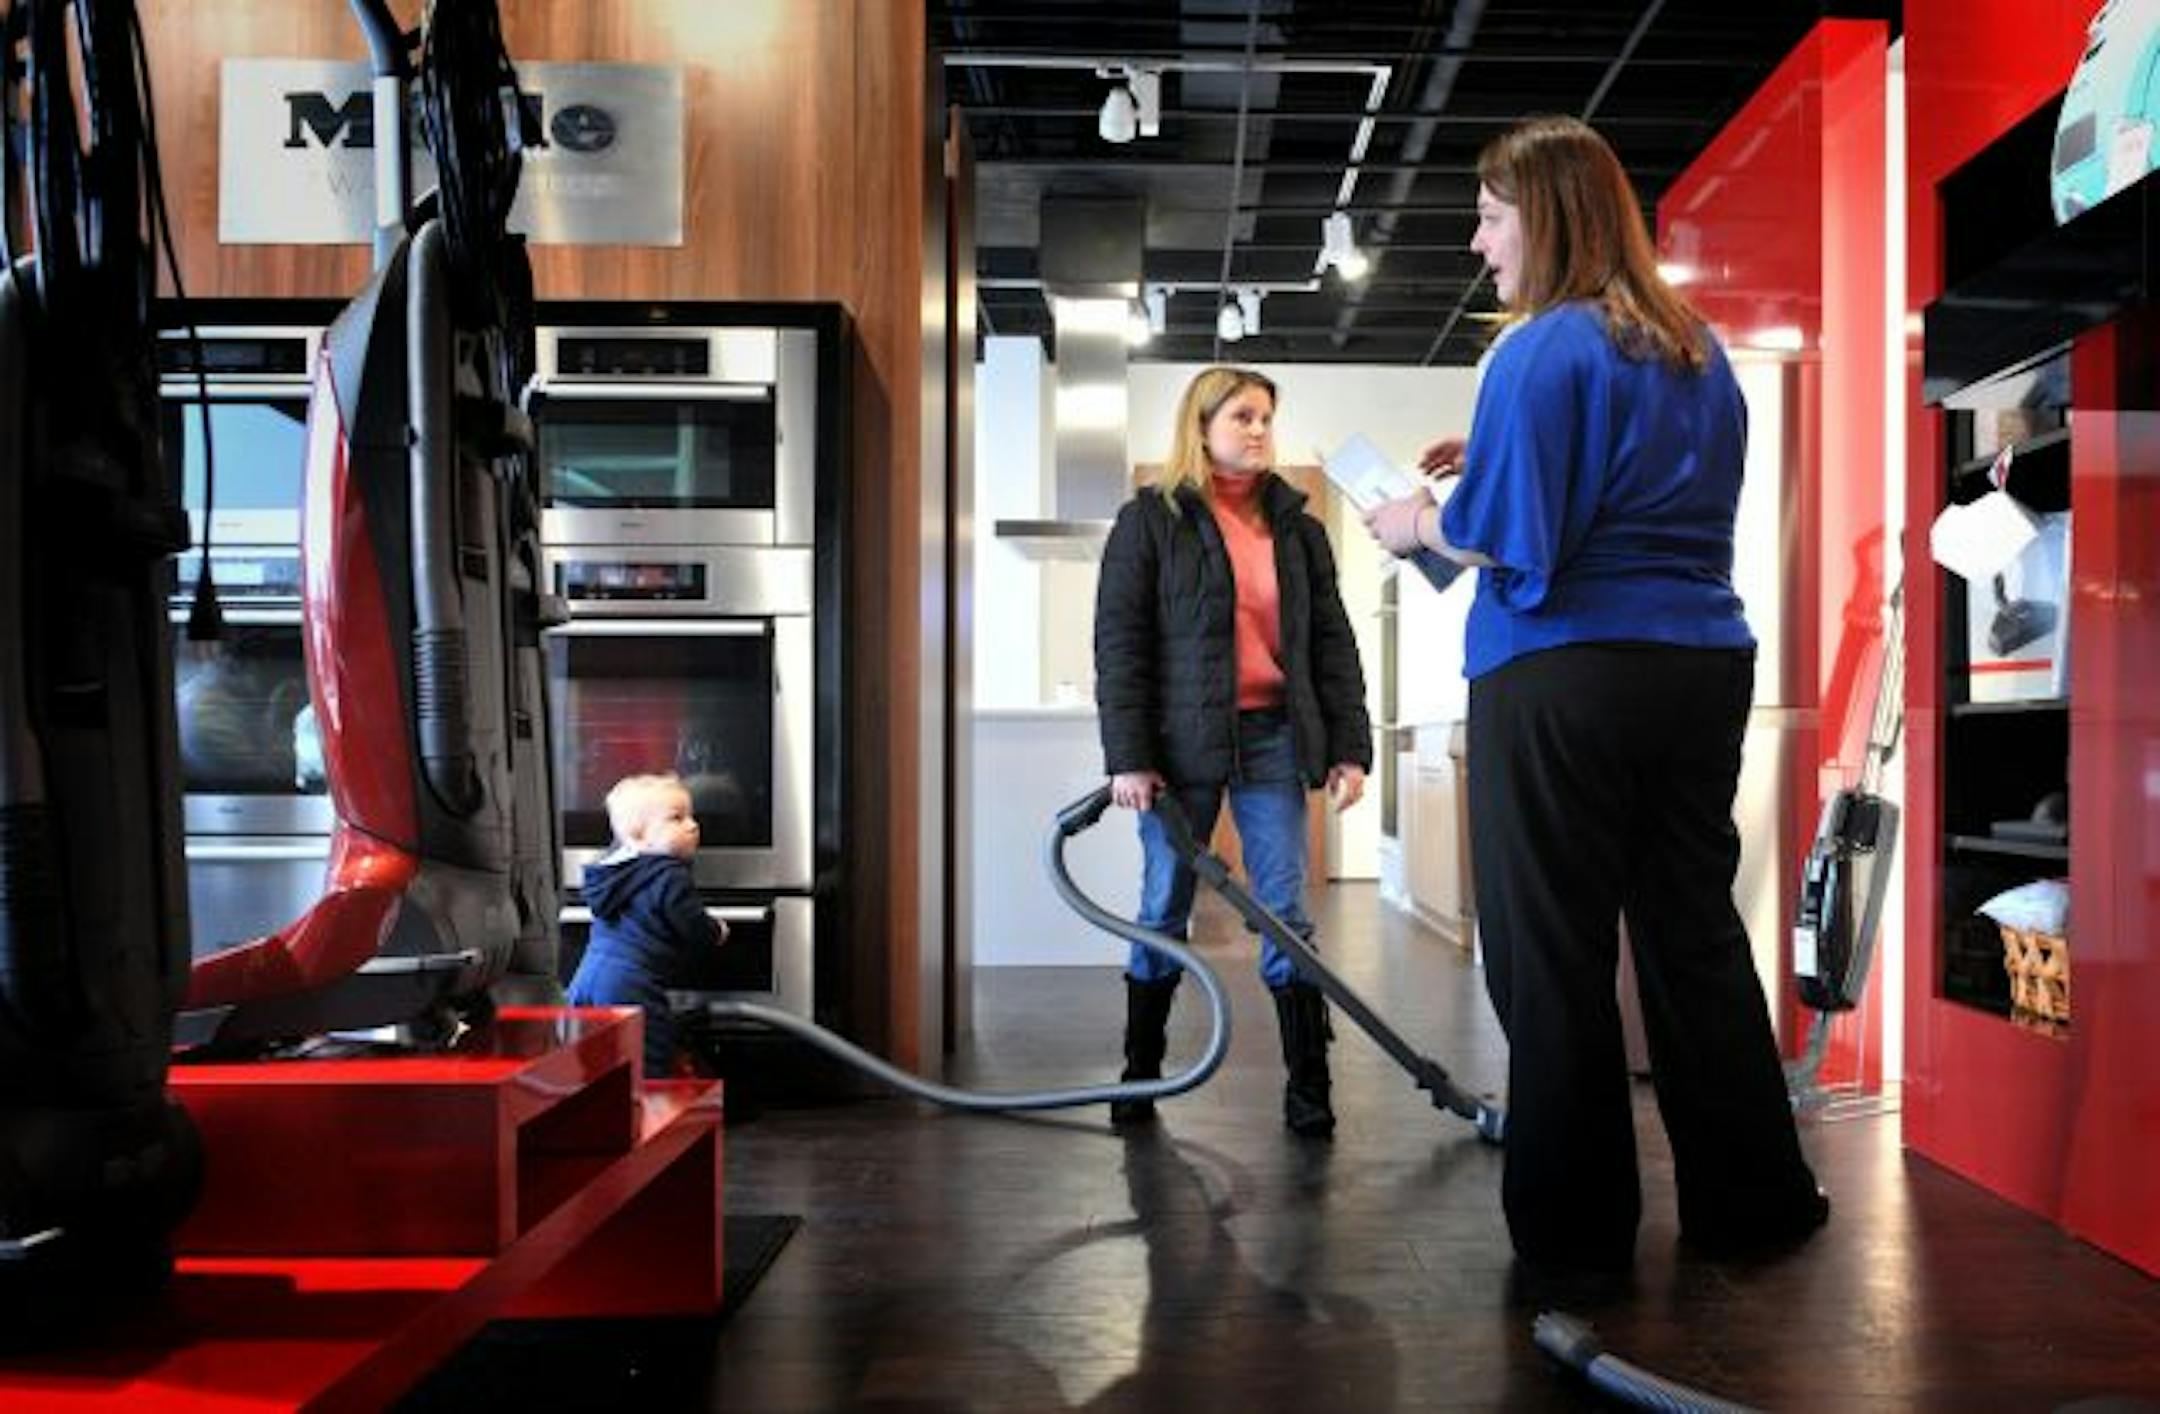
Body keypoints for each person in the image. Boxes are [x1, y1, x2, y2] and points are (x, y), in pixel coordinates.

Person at [1362, 115, 1828, 1274]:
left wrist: (1415, 520)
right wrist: (1491, 460)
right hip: (1700, 666)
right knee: (1692, 931)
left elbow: (1506, 538)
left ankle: (1576, 1236)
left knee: (1551, 949)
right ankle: (1754, 1199)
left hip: (1561, 669)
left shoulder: (1538, 350)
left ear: (1548, 215)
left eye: (1491, 217)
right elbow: (1625, 494)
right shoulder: (1694, 349)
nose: (1479, 243)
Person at [1094, 366, 1373, 1137]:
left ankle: (1309, 1085)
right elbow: (1120, 644)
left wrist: (1350, 748)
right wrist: (1128, 756)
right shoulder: (1150, 520)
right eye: (1242, 416)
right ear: (1202, 425)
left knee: (1285, 909)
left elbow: (1332, 644)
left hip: (1275, 735)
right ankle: (1140, 1072)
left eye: (1265, 418)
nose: (1258, 430)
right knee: (1164, 904)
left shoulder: (1298, 529)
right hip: (1178, 747)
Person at [566, 772, 728, 1077]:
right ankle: (649, 1104)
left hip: (585, 980)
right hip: (631, 985)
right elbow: (691, 924)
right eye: (676, 818)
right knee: (650, 1062)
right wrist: (716, 930)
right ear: (639, 835)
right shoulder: (669, 875)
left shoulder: (612, 876)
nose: (692, 825)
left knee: (592, 1066)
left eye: (691, 816)